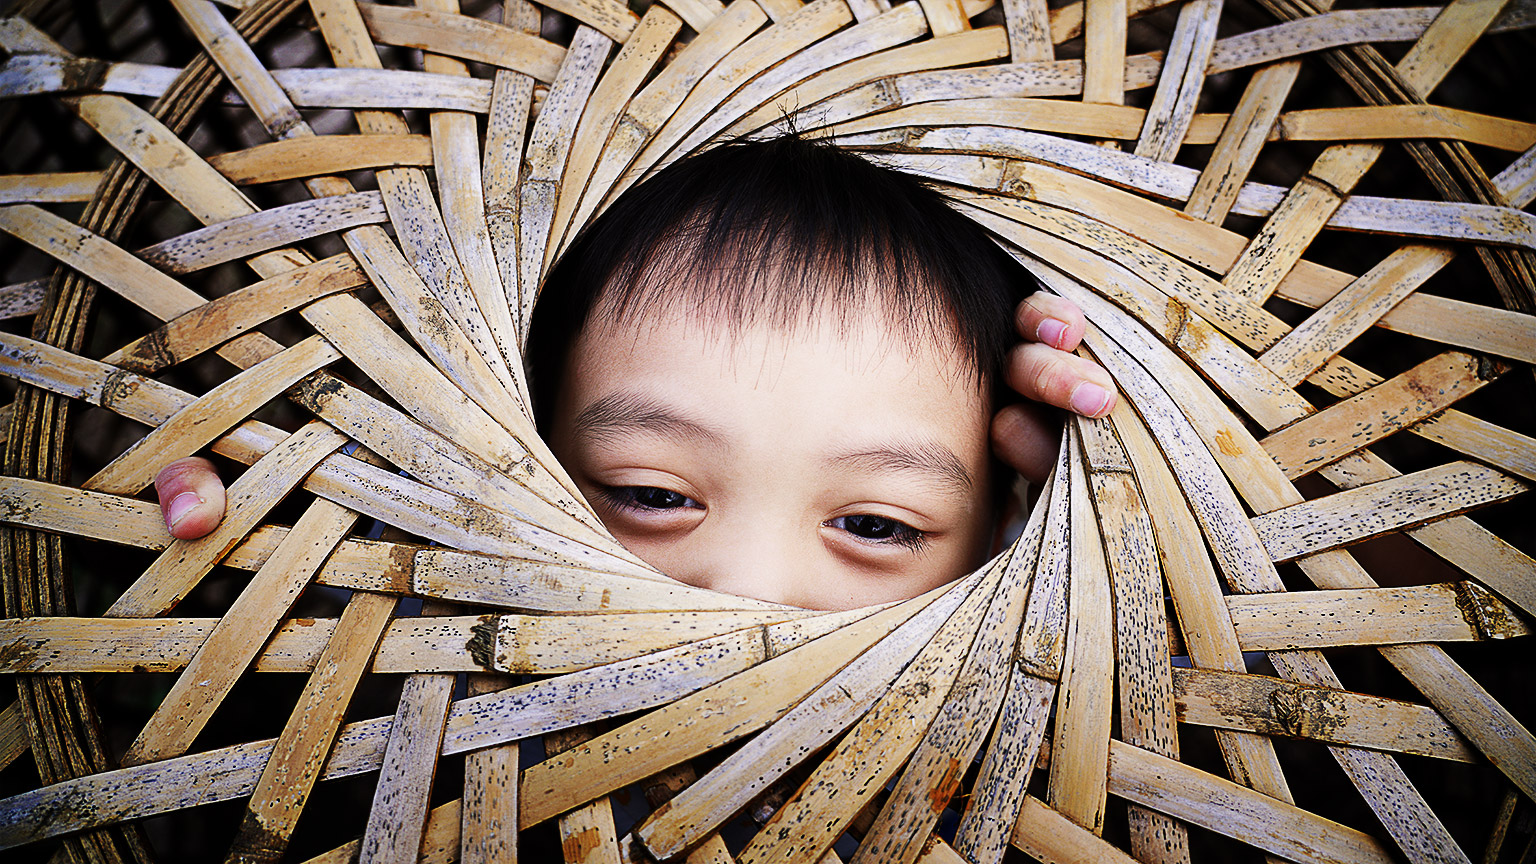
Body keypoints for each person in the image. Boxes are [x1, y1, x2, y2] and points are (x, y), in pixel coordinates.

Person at [154, 136, 1116, 609]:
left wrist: (1089, 509)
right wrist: (258, 544)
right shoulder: (431, 633)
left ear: (998, 530)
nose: (745, 590)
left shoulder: (1020, 750)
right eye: (650, 493)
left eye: (874, 524)